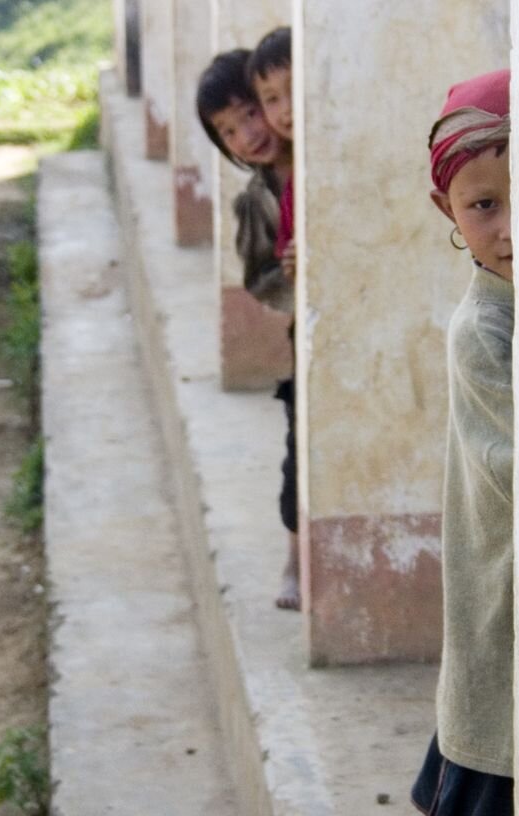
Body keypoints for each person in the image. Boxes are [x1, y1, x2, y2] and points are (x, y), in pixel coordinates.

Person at [411, 68, 517, 816]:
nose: (510, 227)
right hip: (503, 592)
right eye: (483, 206)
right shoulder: (485, 329)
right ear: (444, 209)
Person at [196, 50, 302, 611]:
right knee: (299, 451)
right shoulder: (256, 200)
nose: (245, 135)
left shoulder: (320, 158)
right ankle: (295, 555)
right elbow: (257, 281)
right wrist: (288, 280)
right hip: (302, 335)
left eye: (249, 114)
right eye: (227, 131)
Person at [247, 26, 296, 282]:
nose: (287, 110)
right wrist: (292, 264)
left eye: (294, 88)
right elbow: (288, 261)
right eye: (272, 99)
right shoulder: (291, 186)